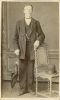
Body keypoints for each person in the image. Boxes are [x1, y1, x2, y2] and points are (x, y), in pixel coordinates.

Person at [14, 4, 45, 95]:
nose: (28, 11)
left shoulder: (36, 23)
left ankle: (30, 88)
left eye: (30, 9)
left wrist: (38, 41)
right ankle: (23, 88)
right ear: (23, 11)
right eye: (26, 9)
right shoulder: (18, 23)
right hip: (22, 50)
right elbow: (14, 38)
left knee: (31, 69)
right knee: (22, 69)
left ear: (32, 11)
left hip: (32, 50)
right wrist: (16, 48)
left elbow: (42, 35)